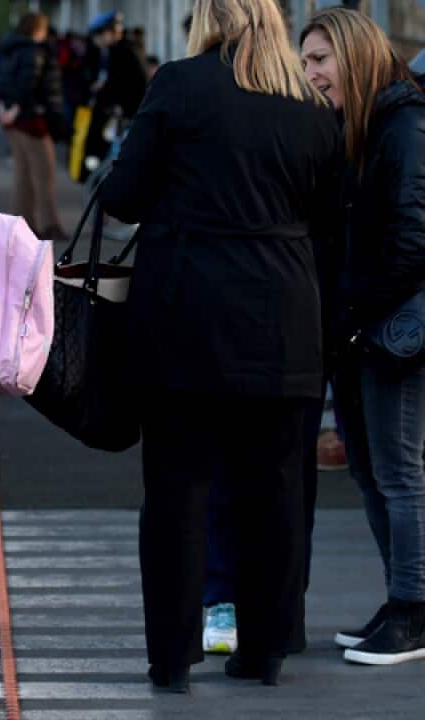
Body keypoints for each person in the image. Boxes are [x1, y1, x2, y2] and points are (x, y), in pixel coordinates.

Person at [98, 0, 341, 691]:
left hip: (185, 320)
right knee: (275, 492)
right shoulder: (307, 102)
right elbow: (330, 214)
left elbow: (123, 195)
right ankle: (263, 652)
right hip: (284, 321)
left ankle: (172, 658)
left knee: (177, 493)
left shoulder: (179, 83)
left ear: (206, 17)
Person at [301, 7, 425, 667]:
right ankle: (402, 599)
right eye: (307, 62)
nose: (312, 74)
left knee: (399, 473)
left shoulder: (402, 127)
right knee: (373, 471)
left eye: (320, 60)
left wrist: (353, 312)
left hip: (392, 329)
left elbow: (410, 241)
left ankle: (415, 609)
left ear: (353, 55)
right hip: (363, 327)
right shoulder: (361, 126)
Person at [0, 12, 66, 241]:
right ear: (37, 29)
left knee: (24, 175)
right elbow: (29, 82)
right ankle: (50, 225)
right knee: (44, 174)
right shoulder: (34, 51)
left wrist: (5, 107)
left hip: (14, 120)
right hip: (32, 119)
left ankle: (22, 224)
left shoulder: (9, 50)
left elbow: (1, 81)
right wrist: (16, 106)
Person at [81, 11, 147, 179]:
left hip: (124, 116)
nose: (96, 43)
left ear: (107, 33)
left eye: (97, 37)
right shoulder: (117, 50)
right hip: (120, 115)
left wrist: (115, 103)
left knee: (118, 161)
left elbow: (133, 85)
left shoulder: (124, 52)